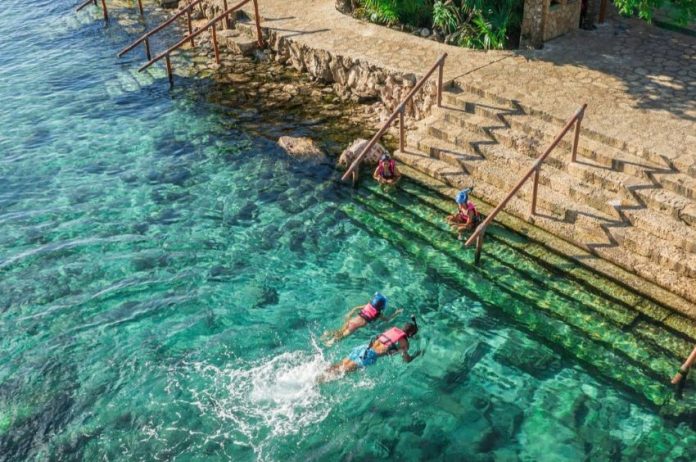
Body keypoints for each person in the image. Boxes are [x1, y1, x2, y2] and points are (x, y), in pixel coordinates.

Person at [319, 318, 420, 381]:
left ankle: (319, 371)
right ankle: (318, 380)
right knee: (342, 371)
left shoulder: (393, 330)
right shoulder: (405, 343)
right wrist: (416, 355)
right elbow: (407, 360)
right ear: (410, 334)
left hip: (364, 347)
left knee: (340, 364)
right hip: (369, 356)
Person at [322, 292, 402, 345]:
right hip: (354, 327)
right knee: (341, 337)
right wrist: (396, 313)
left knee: (339, 332)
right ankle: (330, 341)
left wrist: (350, 313)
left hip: (351, 321)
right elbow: (387, 319)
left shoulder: (368, 305)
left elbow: (356, 308)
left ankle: (327, 334)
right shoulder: (378, 314)